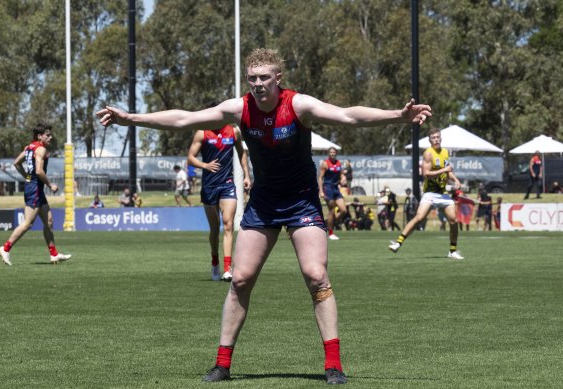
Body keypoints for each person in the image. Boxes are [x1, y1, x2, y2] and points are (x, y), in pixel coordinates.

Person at [97, 47, 432, 385]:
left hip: (302, 203)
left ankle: (333, 365)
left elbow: (348, 115)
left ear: (278, 78)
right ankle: (222, 365)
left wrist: (398, 116)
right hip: (263, 205)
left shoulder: (298, 105)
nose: (258, 84)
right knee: (240, 279)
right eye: (252, 78)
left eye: (264, 78)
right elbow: (185, 118)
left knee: (316, 276)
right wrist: (131, 119)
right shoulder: (239, 108)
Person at [0, 124, 71, 266]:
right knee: (27, 223)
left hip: (34, 187)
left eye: (50, 135)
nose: (50, 137)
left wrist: (26, 177)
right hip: (35, 188)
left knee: (48, 221)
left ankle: (54, 254)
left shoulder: (29, 147)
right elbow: (39, 171)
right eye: (47, 135)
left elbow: (16, 163)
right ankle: (5, 248)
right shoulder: (41, 149)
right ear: (39, 136)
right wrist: (50, 184)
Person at [187, 125, 251, 282]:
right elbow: (190, 157)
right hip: (209, 187)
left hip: (227, 184)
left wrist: (246, 175)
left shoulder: (233, 131)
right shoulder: (202, 133)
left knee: (228, 224)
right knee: (215, 229)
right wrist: (205, 165)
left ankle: (228, 269)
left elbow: (242, 152)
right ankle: (214, 261)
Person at [388, 128, 463, 260]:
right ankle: (398, 243)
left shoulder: (445, 152)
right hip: (430, 193)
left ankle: (452, 250)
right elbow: (426, 174)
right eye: (433, 138)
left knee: (453, 221)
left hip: (443, 193)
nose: (436, 140)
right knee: (419, 217)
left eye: (438, 137)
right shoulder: (428, 154)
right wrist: (444, 170)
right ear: (430, 140)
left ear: (441, 138)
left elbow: (447, 170)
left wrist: (455, 179)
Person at [318, 147, 347, 240]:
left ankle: (330, 222)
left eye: (334, 152)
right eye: (331, 152)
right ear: (328, 153)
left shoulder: (338, 163)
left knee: (344, 210)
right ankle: (331, 233)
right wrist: (321, 191)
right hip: (328, 188)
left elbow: (341, 173)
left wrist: (343, 177)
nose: (332, 153)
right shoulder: (325, 164)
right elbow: (320, 178)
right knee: (332, 210)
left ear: (336, 153)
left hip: (336, 188)